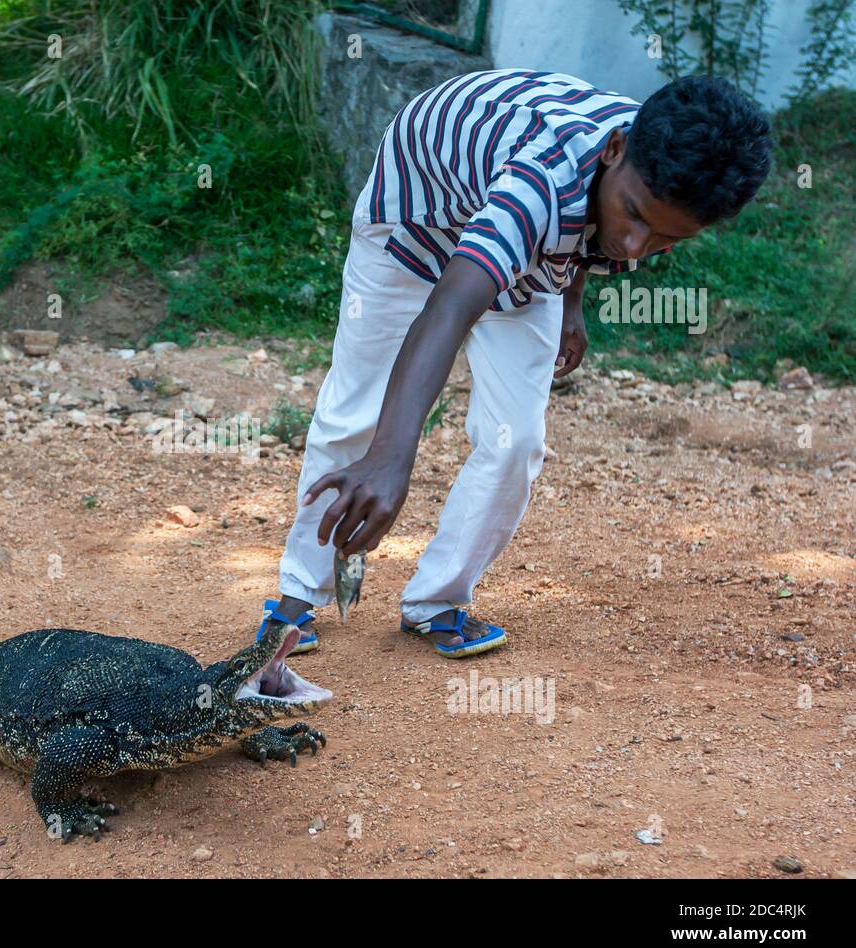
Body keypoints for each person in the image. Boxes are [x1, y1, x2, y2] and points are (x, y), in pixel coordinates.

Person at [258, 71, 772, 657]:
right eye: (635, 215)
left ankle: (436, 600)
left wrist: (572, 299)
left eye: (664, 239)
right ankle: (298, 596)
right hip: (417, 225)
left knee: (516, 438)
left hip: (527, 254)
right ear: (614, 150)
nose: (635, 246)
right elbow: (450, 307)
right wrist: (391, 459)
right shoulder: (542, 179)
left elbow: (597, 233)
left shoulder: (662, 171)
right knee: (356, 414)